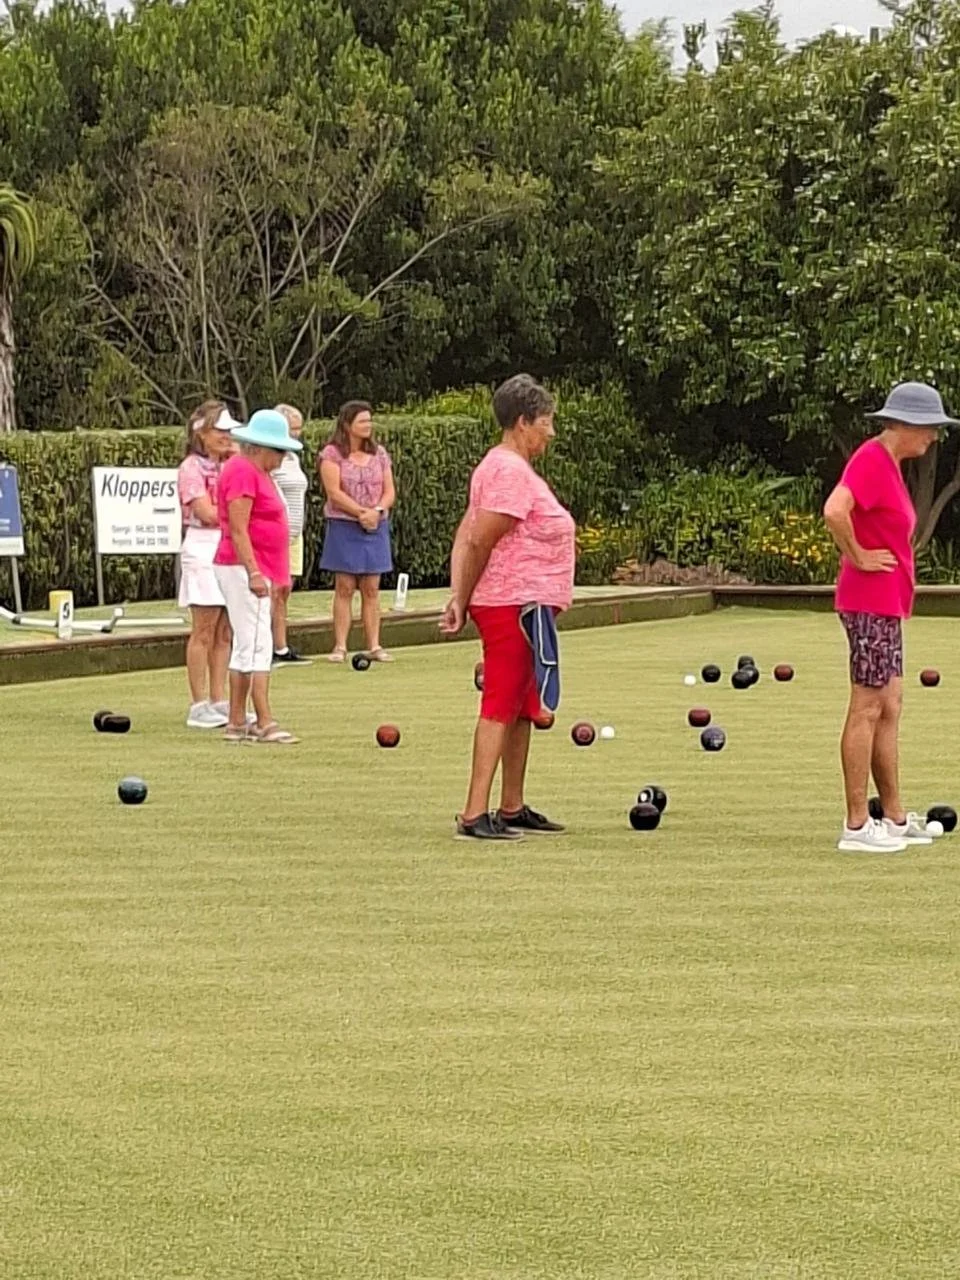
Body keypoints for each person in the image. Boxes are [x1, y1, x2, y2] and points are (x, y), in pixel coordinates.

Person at [440, 374, 576, 841]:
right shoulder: (506, 470)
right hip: (509, 604)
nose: (551, 432)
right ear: (522, 423)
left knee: (520, 704)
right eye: (545, 422)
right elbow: (479, 538)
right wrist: (463, 597)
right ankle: (474, 813)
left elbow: (466, 531)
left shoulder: (509, 468)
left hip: (524, 604)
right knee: (500, 701)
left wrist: (461, 594)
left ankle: (511, 805)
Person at [824, 381, 957, 854]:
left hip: (886, 605)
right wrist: (857, 555)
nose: (935, 437)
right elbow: (835, 510)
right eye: (932, 428)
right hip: (868, 602)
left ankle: (895, 819)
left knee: (890, 705)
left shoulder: (890, 465)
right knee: (867, 705)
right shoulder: (870, 459)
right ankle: (858, 825)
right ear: (907, 424)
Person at [213, 409, 303, 745]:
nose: (282, 457)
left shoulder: (256, 471)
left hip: (257, 568)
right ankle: (262, 720)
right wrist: (253, 571)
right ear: (260, 446)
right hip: (243, 568)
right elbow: (238, 528)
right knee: (255, 645)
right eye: (279, 450)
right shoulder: (242, 471)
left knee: (252, 644)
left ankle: (238, 721)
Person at [318, 401, 396, 662]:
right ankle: (340, 645)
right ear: (347, 425)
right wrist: (360, 513)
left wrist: (376, 512)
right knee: (344, 586)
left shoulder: (380, 454)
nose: (368, 425)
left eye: (369, 421)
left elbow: (390, 491)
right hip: (344, 525)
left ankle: (375, 645)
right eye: (362, 421)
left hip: (375, 524)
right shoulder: (332, 454)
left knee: (372, 587)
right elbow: (334, 492)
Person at [177, 401, 239, 729]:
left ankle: (219, 700)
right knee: (203, 628)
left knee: (224, 630)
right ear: (201, 433)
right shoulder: (191, 467)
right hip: (203, 546)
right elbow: (207, 513)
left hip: (229, 546)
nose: (226, 436)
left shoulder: (231, 464)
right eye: (220, 430)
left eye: (229, 431)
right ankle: (198, 703)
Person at [271, 403, 310, 665]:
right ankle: (267, 646)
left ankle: (281, 647)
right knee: (274, 590)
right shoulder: (270, 459)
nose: (297, 434)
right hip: (275, 533)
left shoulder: (293, 457)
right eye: (293, 429)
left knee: (285, 590)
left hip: (295, 532)